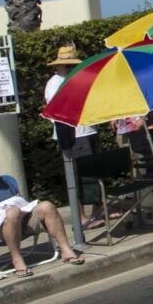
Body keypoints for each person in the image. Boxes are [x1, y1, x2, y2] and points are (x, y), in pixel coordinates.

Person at [0, 153, 85, 275]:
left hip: (22, 219)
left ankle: (66, 250)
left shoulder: (4, 182)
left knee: (46, 206)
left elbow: (20, 201)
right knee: (11, 213)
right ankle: (17, 259)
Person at [43, 45, 100, 230]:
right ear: (58, 66)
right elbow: (57, 108)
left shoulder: (80, 78)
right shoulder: (54, 83)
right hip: (72, 133)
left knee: (93, 173)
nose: (69, 68)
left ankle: (97, 212)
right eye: (65, 65)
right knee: (75, 177)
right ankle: (81, 218)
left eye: (71, 64)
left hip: (89, 129)